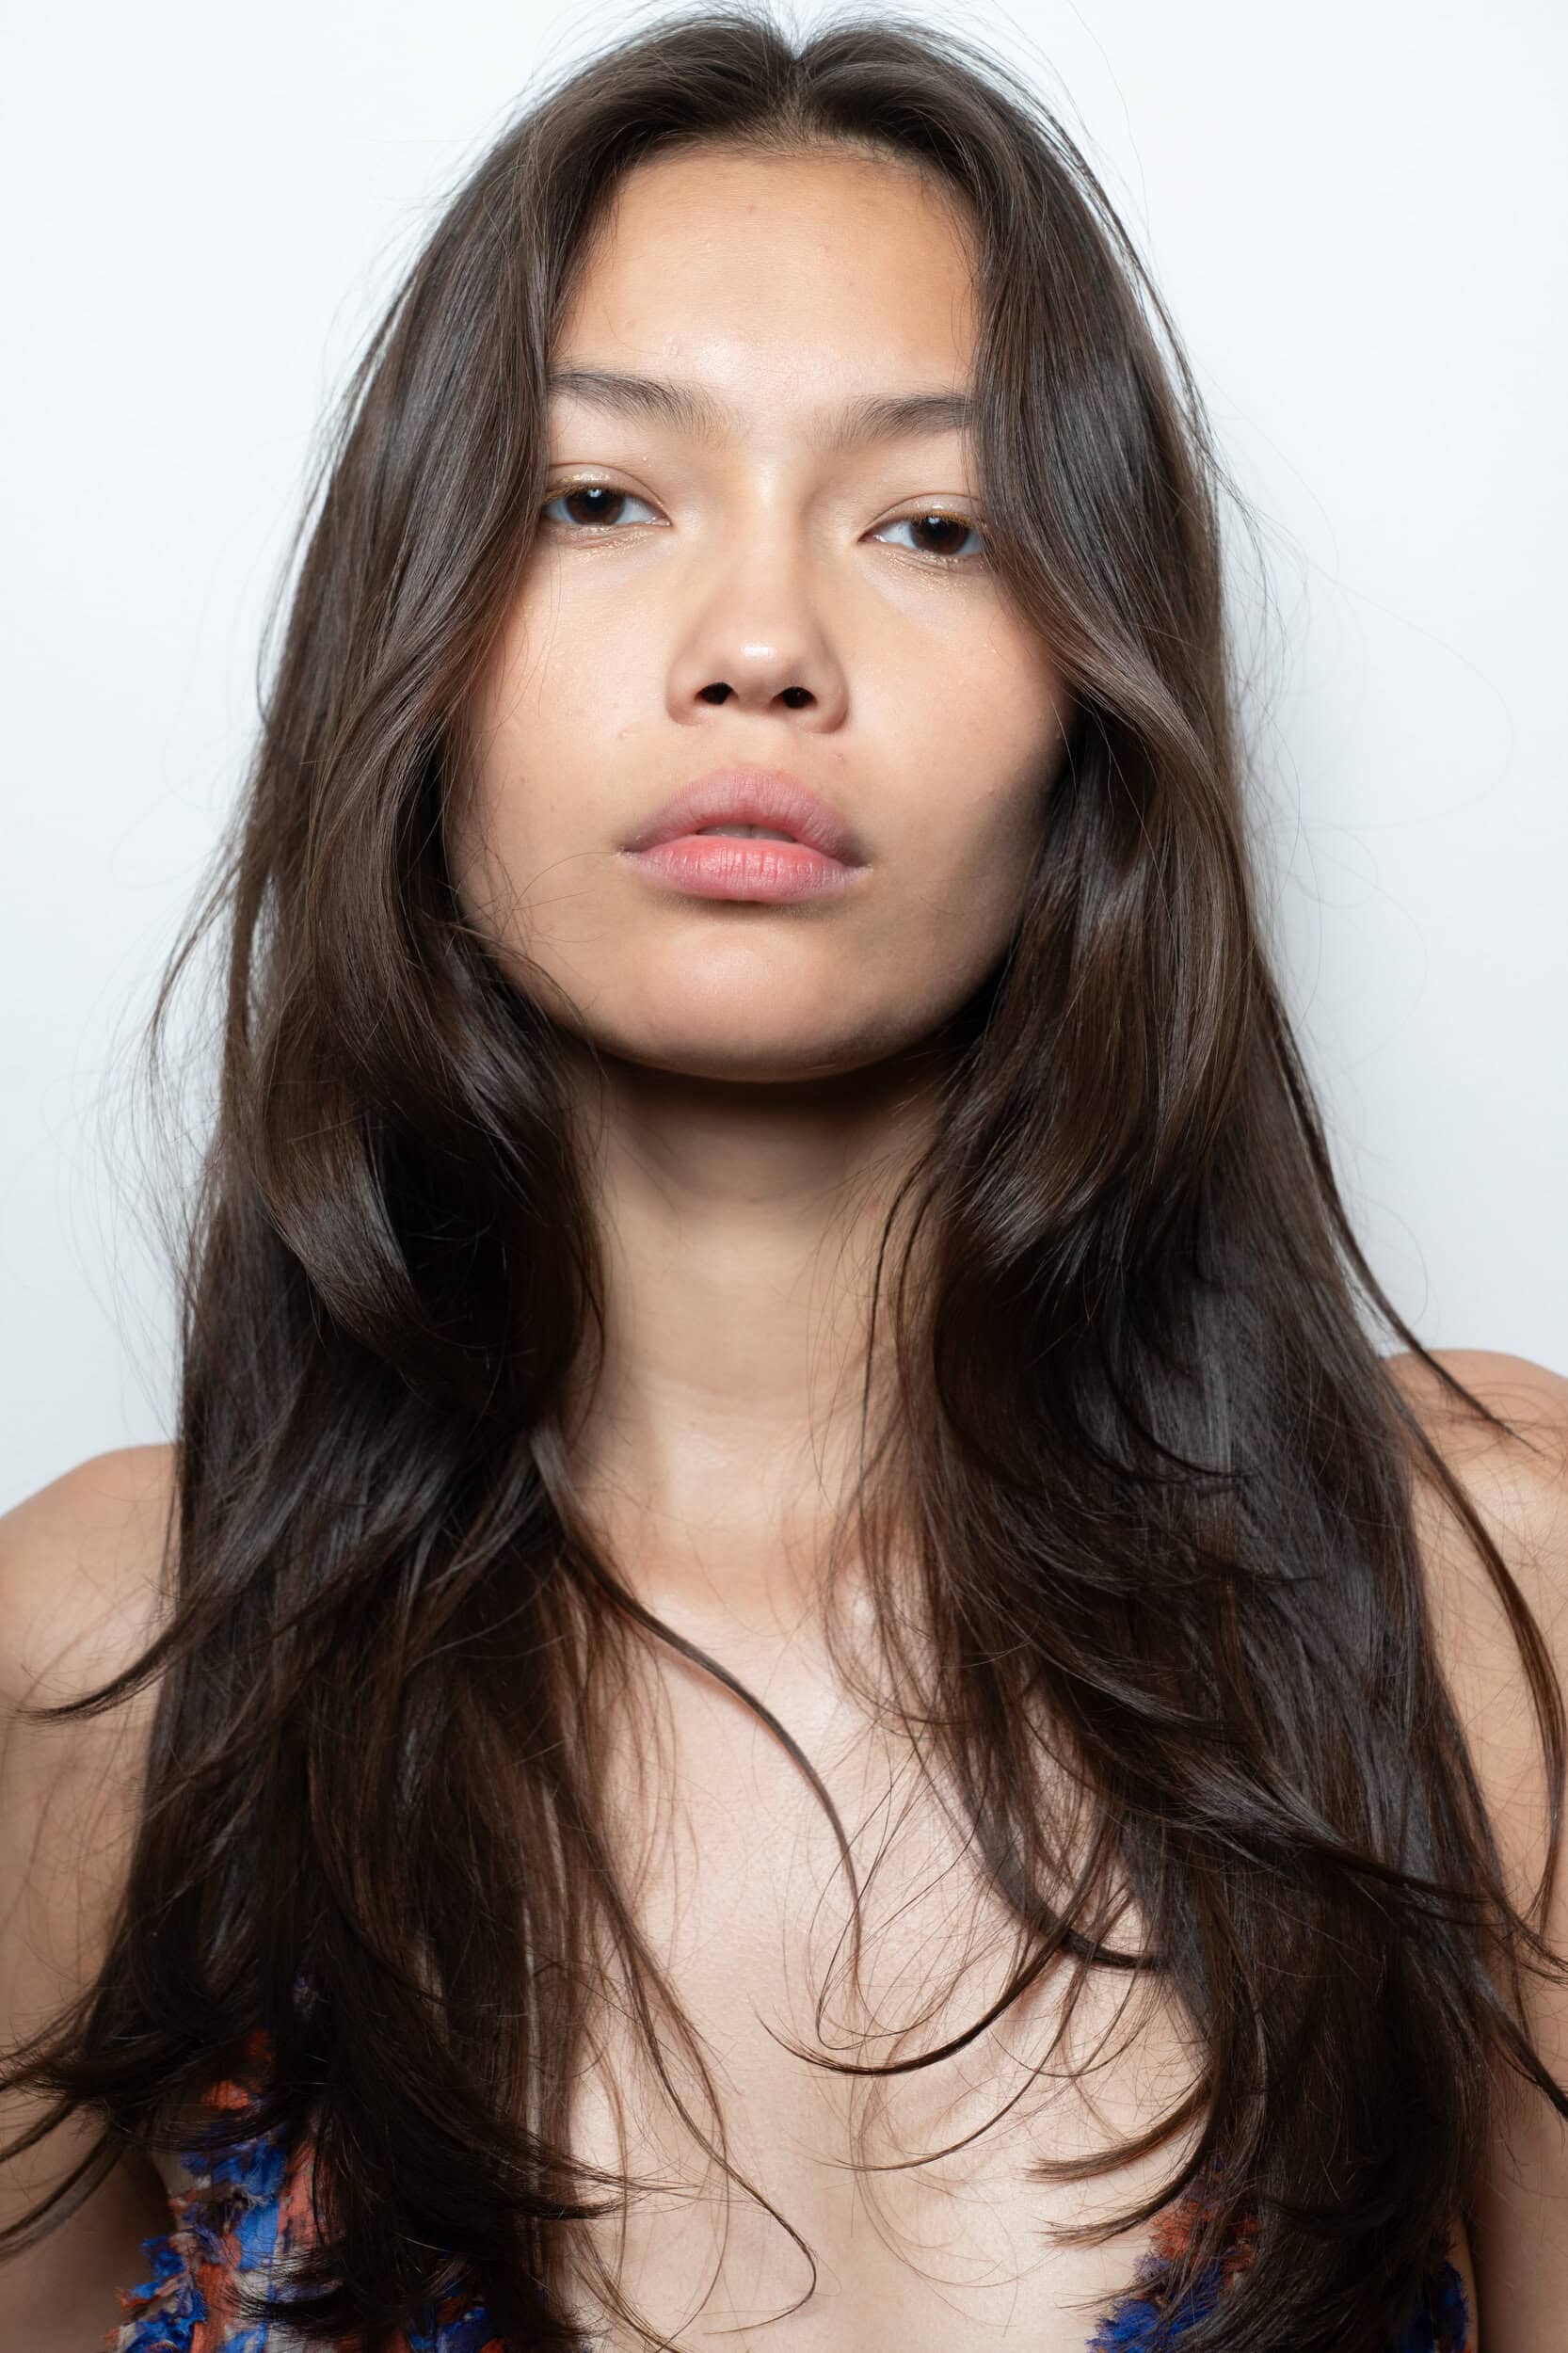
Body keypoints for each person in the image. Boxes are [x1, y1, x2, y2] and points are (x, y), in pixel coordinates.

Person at [2, 8, 1565, 2350]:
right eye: (595, 498)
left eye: (934, 525)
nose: (758, 647)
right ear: (411, 651)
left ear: (1092, 698)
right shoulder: (105, 1666)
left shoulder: (1483, 1594)